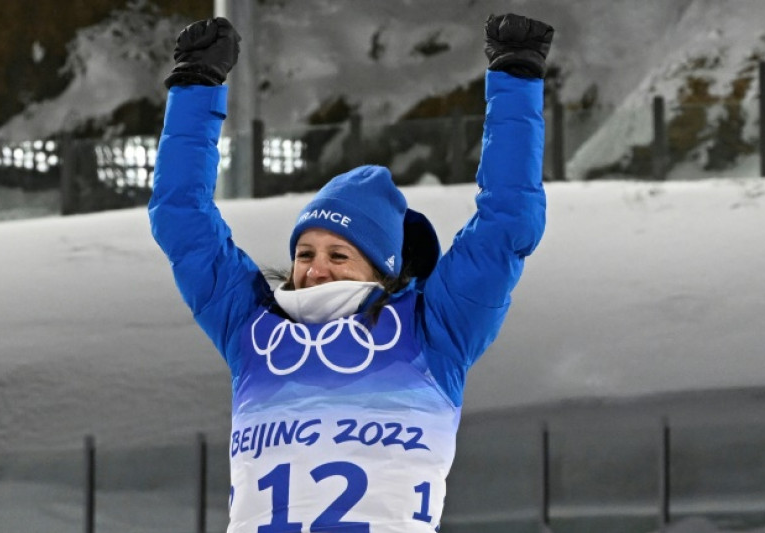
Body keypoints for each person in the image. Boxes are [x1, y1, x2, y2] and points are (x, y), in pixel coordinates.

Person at [150, 12, 552, 533]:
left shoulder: (433, 331)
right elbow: (181, 221)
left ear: (382, 270)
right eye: (305, 253)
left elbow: (507, 225)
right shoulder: (252, 328)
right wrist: (194, 88)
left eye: (339, 255)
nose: (316, 270)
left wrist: (516, 78)